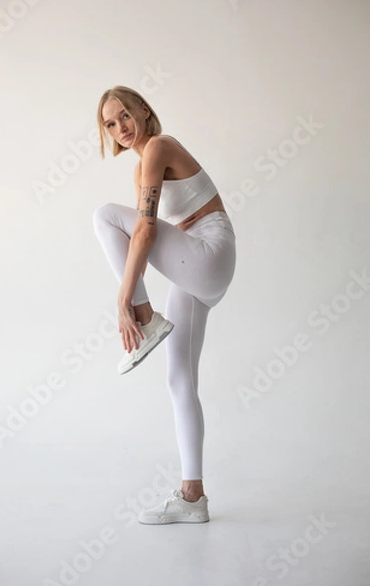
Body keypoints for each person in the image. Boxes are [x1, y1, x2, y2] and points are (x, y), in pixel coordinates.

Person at [93, 85, 236, 524]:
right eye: (111, 124)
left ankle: (145, 317)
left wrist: (124, 299)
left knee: (105, 215)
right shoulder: (141, 170)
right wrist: (129, 296)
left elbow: (145, 233)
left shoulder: (158, 146)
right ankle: (193, 497)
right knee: (179, 380)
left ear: (144, 110)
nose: (121, 128)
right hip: (197, 266)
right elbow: (147, 236)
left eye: (124, 116)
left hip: (209, 250)